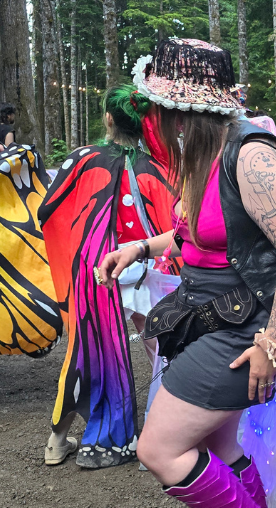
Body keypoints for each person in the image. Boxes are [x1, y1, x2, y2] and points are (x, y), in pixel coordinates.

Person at [100, 38, 276, 508]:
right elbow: (197, 235)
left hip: (251, 322)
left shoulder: (252, 156)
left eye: (157, 108)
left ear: (181, 112)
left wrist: (272, 343)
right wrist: (142, 247)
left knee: (159, 449)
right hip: (210, 310)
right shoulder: (203, 154)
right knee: (218, 441)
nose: (152, 121)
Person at [39, 84, 180, 468]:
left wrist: (76, 244)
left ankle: (57, 442)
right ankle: (165, 430)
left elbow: (48, 209)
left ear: (108, 119)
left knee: (85, 354)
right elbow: (178, 225)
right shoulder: (158, 169)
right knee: (162, 348)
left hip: (95, 275)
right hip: (147, 270)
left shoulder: (83, 159)